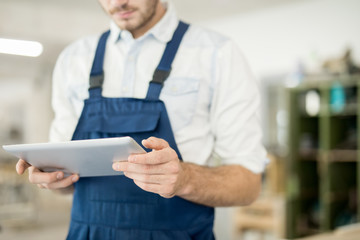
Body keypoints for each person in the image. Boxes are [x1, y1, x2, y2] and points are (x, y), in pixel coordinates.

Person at [16, 0, 267, 239]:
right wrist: (53, 178)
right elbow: (69, 182)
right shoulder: (72, 59)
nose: (117, 3)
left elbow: (248, 184)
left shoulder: (218, 54)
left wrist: (184, 179)